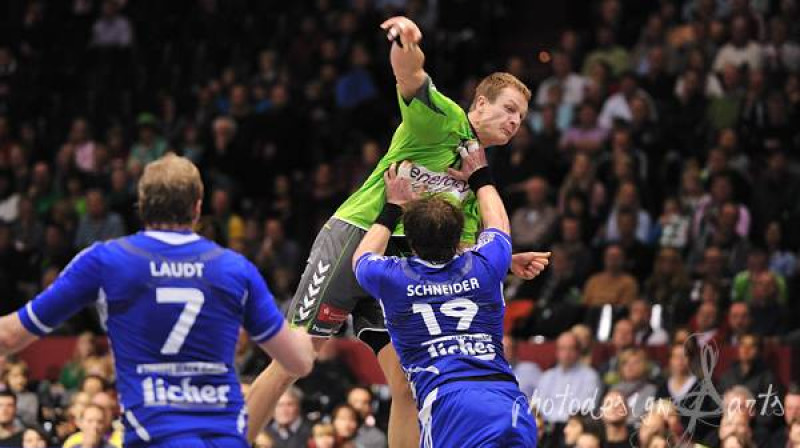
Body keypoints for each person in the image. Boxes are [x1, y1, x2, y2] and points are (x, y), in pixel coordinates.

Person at [245, 15, 550, 448]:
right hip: (356, 234)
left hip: (398, 266)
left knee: (406, 383)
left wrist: (509, 261)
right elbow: (409, 74)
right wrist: (405, 40)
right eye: (508, 109)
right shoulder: (441, 120)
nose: (515, 121)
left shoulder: (475, 170)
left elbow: (462, 244)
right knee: (297, 357)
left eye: (521, 116)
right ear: (479, 104)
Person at [0, 154, 314, 447]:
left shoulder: (106, 261)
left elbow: (10, 336)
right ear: (197, 207)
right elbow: (297, 362)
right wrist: (308, 330)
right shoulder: (235, 268)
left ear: (142, 205)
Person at [352, 147, 538, 446]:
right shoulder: (486, 265)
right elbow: (499, 225)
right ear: (459, 236)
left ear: (410, 240)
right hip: (506, 400)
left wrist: (393, 206)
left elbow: (361, 257)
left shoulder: (394, 278)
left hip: (449, 404)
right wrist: (480, 175)